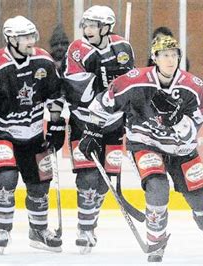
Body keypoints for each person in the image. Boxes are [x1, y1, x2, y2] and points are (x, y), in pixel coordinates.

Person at [78, 35, 203, 263]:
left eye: (174, 55)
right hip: (145, 143)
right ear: (154, 57)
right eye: (165, 55)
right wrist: (92, 132)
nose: (170, 60)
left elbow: (195, 126)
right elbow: (102, 104)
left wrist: (176, 120)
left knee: (200, 198)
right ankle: (156, 245)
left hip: (182, 149)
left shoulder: (193, 86)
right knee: (157, 187)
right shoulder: (134, 81)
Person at [0, 15, 65, 254]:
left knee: (40, 185)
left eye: (32, 36)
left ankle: (38, 231)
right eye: (24, 37)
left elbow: (55, 95)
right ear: (11, 39)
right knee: (6, 178)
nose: (30, 41)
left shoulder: (43, 61)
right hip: (0, 132)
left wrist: (56, 124)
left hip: (34, 132)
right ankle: (3, 230)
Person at [62, 5, 135, 254]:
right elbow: (75, 91)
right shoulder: (77, 49)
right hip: (84, 121)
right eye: (86, 24)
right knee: (88, 176)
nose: (88, 29)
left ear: (106, 28)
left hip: (113, 124)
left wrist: (124, 92)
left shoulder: (123, 48)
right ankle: (83, 228)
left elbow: (131, 85)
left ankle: (91, 225)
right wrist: (103, 81)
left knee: (106, 180)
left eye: (94, 25)